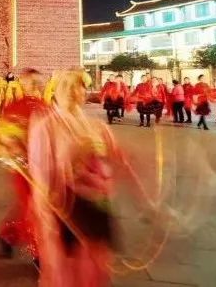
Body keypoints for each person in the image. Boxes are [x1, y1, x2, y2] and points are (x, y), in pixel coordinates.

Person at [28, 70, 153, 287]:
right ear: (56, 91)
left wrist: (143, 193)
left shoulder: (95, 126)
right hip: (66, 207)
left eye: (78, 86)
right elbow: (41, 173)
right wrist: (45, 214)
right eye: (66, 86)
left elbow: (119, 158)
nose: (72, 91)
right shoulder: (45, 125)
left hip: (97, 206)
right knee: (66, 269)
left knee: (95, 266)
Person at [0, 68, 45, 264]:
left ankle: (8, 235)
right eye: (32, 82)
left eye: (38, 82)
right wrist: (13, 156)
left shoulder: (44, 106)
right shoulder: (15, 107)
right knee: (33, 207)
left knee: (31, 206)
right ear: (24, 83)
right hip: (23, 167)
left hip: (42, 166)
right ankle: (38, 253)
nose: (36, 86)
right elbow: (3, 137)